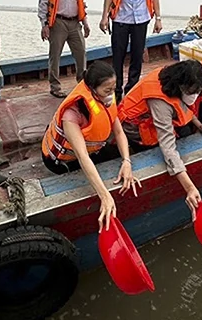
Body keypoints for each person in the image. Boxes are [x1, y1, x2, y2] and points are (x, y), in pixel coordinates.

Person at [41, 61, 140, 232]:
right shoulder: (72, 113)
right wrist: (105, 195)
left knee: (120, 157)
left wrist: (127, 162)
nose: (111, 95)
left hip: (93, 149)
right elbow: (82, 157)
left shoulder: (105, 98)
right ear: (92, 89)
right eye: (107, 91)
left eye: (113, 89)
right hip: (63, 161)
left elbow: (118, 132)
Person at [118, 60, 202, 221]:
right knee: (157, 151)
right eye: (191, 91)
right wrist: (190, 188)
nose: (194, 95)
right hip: (135, 128)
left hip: (158, 118)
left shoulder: (171, 80)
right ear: (180, 85)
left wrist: (198, 124)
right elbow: (168, 147)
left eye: (197, 91)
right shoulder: (160, 102)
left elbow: (181, 106)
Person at [99, 0, 163, 103]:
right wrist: (104, 17)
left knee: (137, 57)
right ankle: (116, 90)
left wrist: (158, 18)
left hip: (141, 19)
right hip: (120, 18)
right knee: (118, 57)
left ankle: (132, 90)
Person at [38, 0, 91, 98]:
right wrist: (44, 25)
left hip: (75, 23)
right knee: (55, 56)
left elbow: (81, 2)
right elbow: (43, 2)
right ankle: (55, 86)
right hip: (58, 23)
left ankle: (82, 85)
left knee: (81, 53)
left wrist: (85, 22)